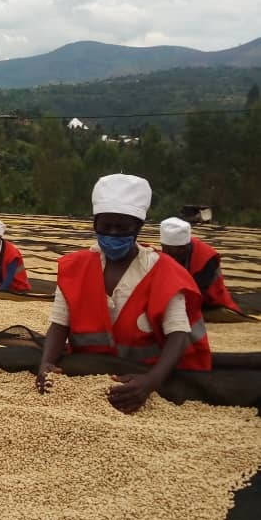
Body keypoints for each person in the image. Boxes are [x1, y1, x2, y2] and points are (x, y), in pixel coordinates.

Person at [36, 174, 211, 414]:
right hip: (88, 368)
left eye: (122, 227)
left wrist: (151, 382)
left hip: (142, 370)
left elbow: (178, 335)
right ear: (94, 224)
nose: (113, 234)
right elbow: (59, 324)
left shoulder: (165, 272)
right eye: (105, 226)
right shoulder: (75, 268)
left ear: (138, 227)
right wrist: (46, 364)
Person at [159, 217, 242, 314]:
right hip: (182, 298)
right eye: (164, 248)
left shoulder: (207, 257)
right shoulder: (170, 253)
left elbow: (196, 293)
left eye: (172, 251)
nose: (167, 254)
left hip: (212, 302)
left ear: (184, 247)